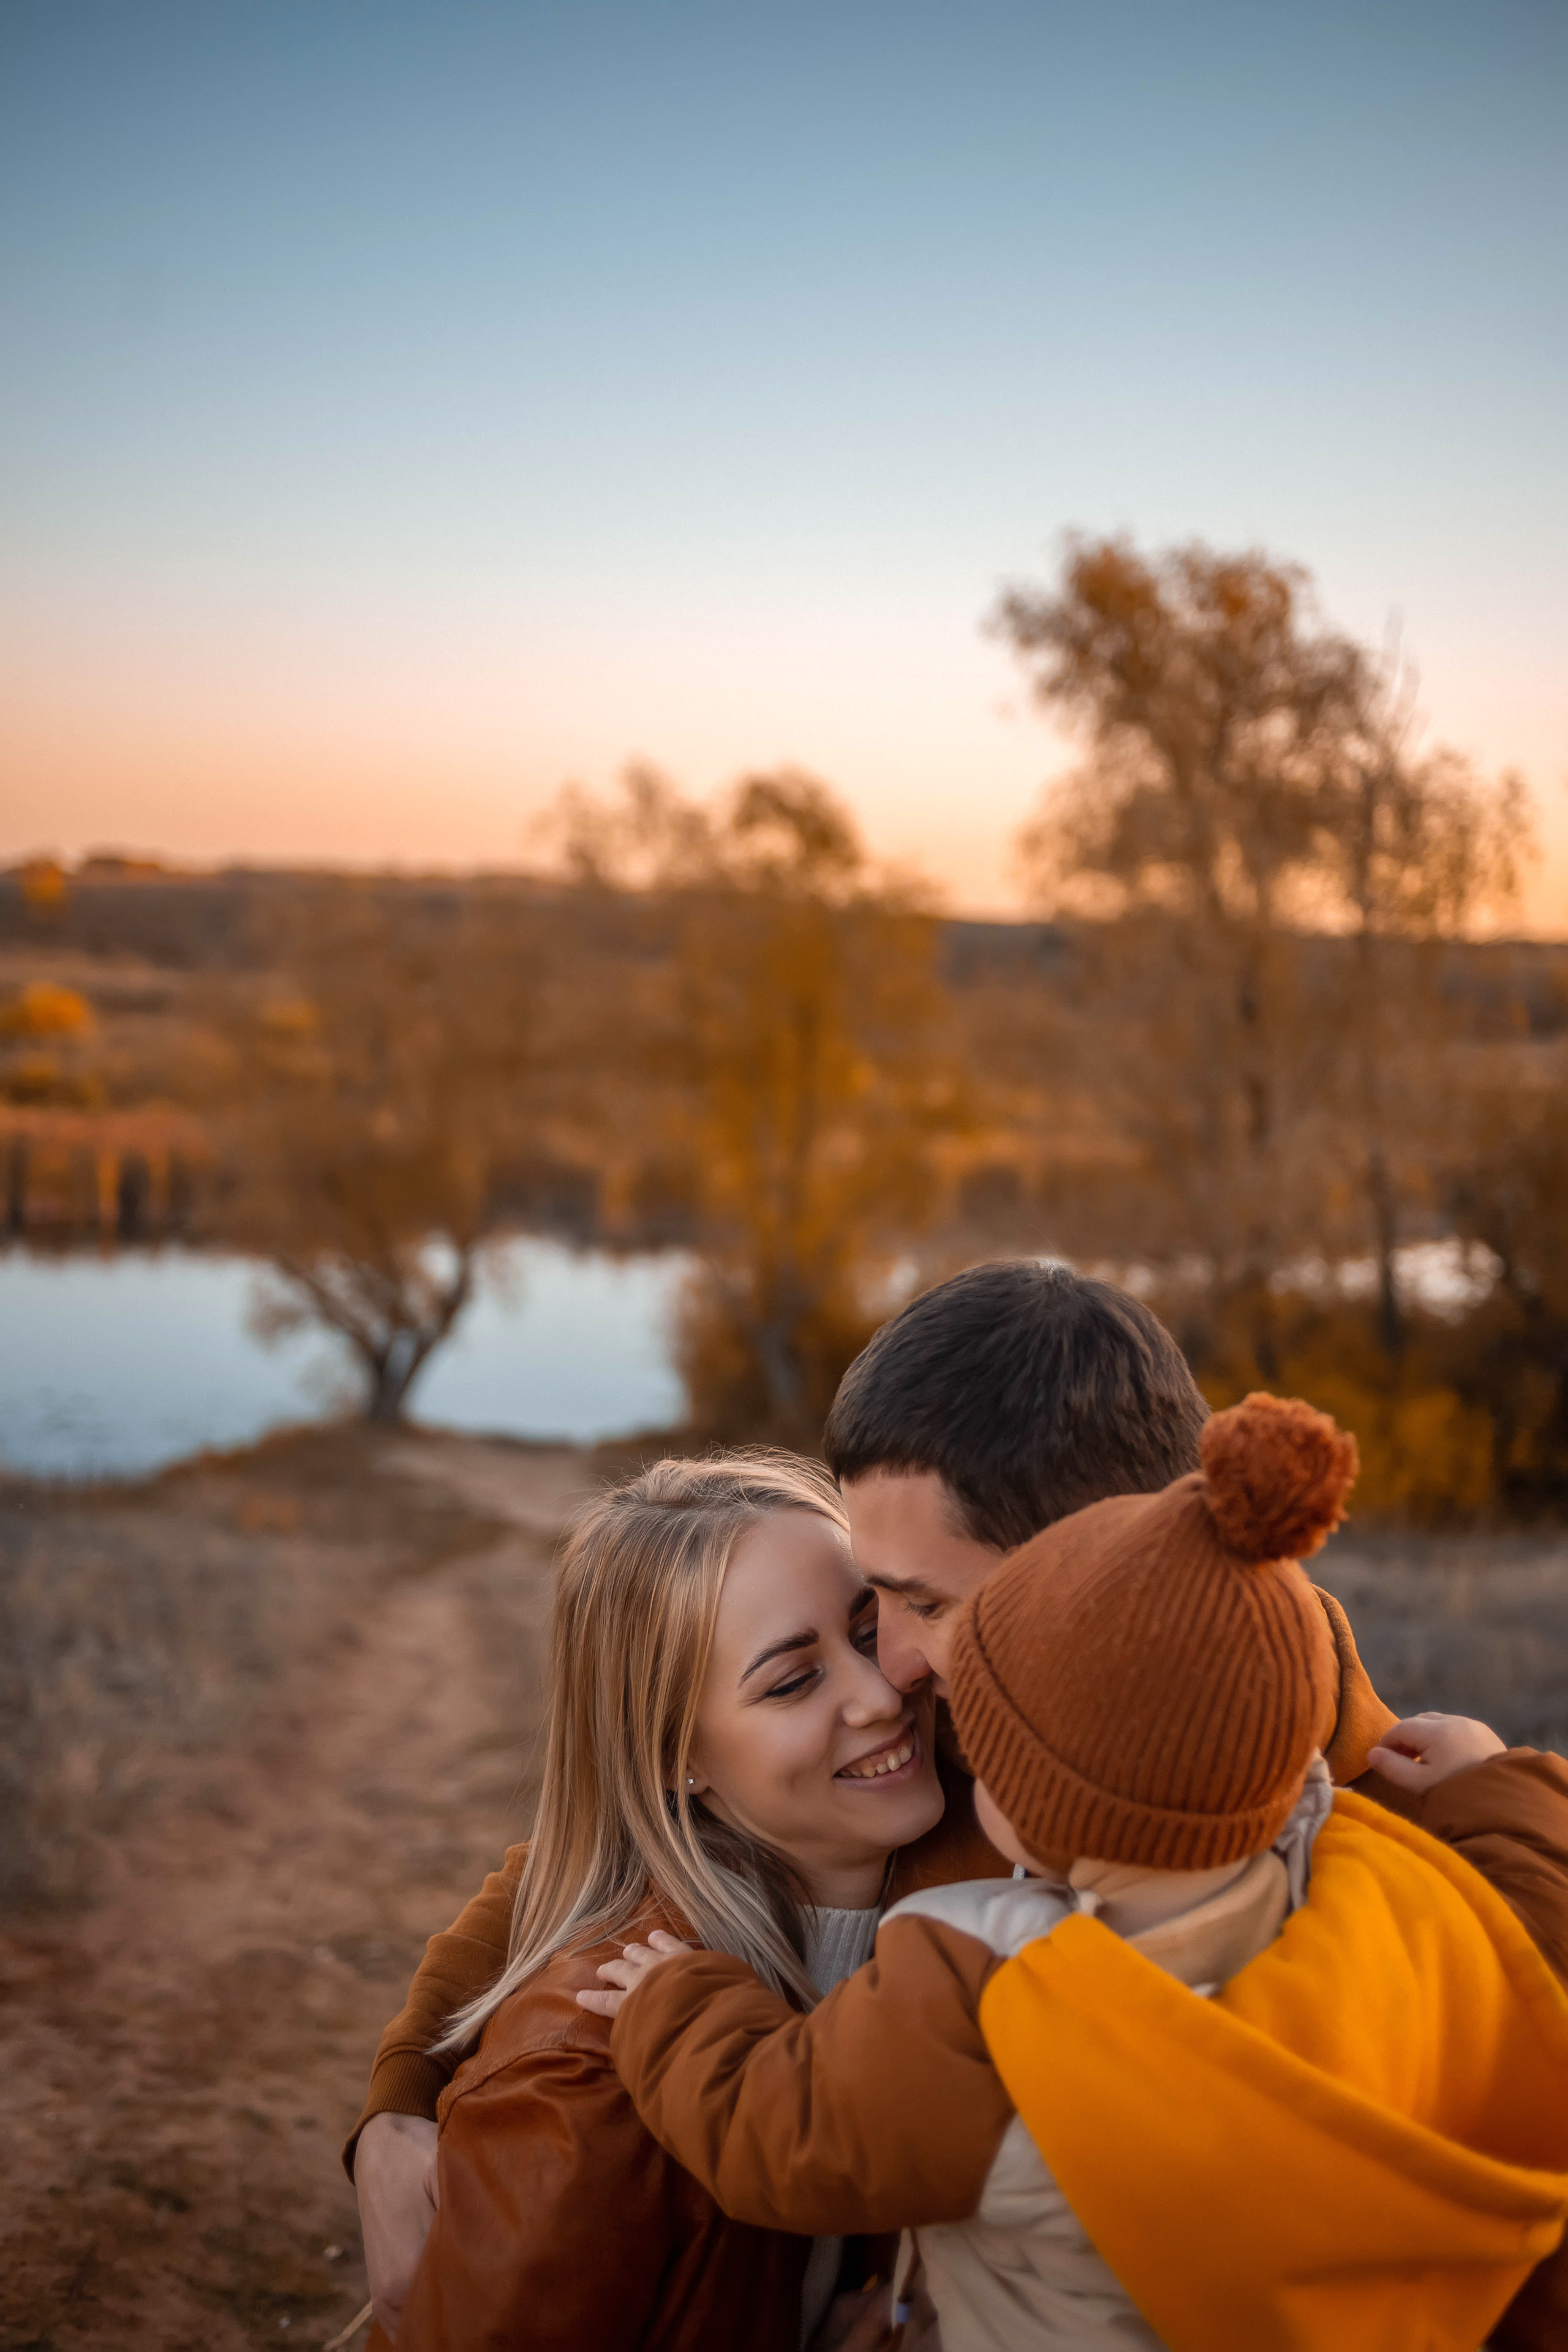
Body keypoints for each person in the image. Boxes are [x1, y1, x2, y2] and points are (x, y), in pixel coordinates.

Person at [350, 1265, 1568, 2342]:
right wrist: (400, 2098)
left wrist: (1503, 1805)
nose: (890, 1669)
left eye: (920, 1605)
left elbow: (1510, 2015)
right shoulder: (933, 1729)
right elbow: (603, 1847)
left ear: (1095, 1567)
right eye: (865, 1603)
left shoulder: (1317, 1766)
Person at [389, 1449, 945, 2352]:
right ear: (672, 1760)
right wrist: (403, 2093)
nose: (882, 1693)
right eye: (793, 1679)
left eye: (871, 1625)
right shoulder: (592, 2077)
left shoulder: (969, 1823)